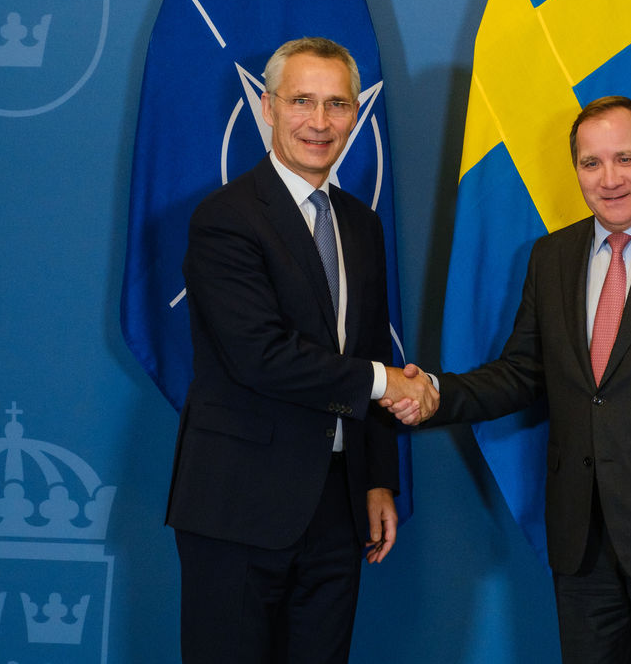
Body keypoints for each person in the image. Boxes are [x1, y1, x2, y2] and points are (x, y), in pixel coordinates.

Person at [392, 96, 631, 663]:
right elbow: (522, 373)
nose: (609, 178)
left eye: (624, 158)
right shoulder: (553, 256)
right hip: (582, 541)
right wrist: (433, 394)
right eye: (591, 163)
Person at [165, 36, 437, 664]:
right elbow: (260, 355)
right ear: (267, 107)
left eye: (337, 104)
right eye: (302, 101)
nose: (320, 122)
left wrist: (375, 480)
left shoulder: (360, 225)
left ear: (354, 116)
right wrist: (390, 383)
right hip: (239, 507)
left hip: (338, 508)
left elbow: (366, 345)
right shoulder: (226, 218)